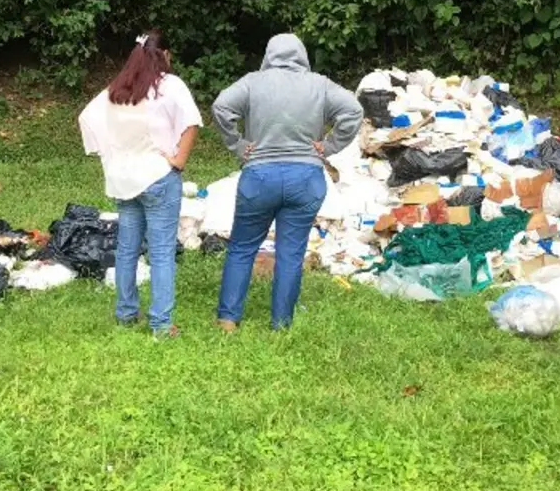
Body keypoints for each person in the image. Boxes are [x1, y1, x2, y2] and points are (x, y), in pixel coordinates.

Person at [211, 33, 363, 331]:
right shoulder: (319, 84)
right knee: (291, 253)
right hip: (305, 178)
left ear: (269, 55)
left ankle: (228, 320)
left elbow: (220, 107)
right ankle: (281, 323)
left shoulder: (253, 82)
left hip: (260, 177)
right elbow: (353, 111)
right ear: (302, 55)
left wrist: (238, 145)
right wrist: (329, 145)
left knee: (242, 247)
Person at [78, 29, 202, 338]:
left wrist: (109, 152)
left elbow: (86, 118)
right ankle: (160, 324)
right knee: (160, 253)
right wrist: (179, 160)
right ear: (166, 55)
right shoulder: (169, 85)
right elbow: (191, 123)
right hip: (158, 177)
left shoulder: (119, 88)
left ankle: (125, 313)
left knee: (126, 249)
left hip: (124, 179)